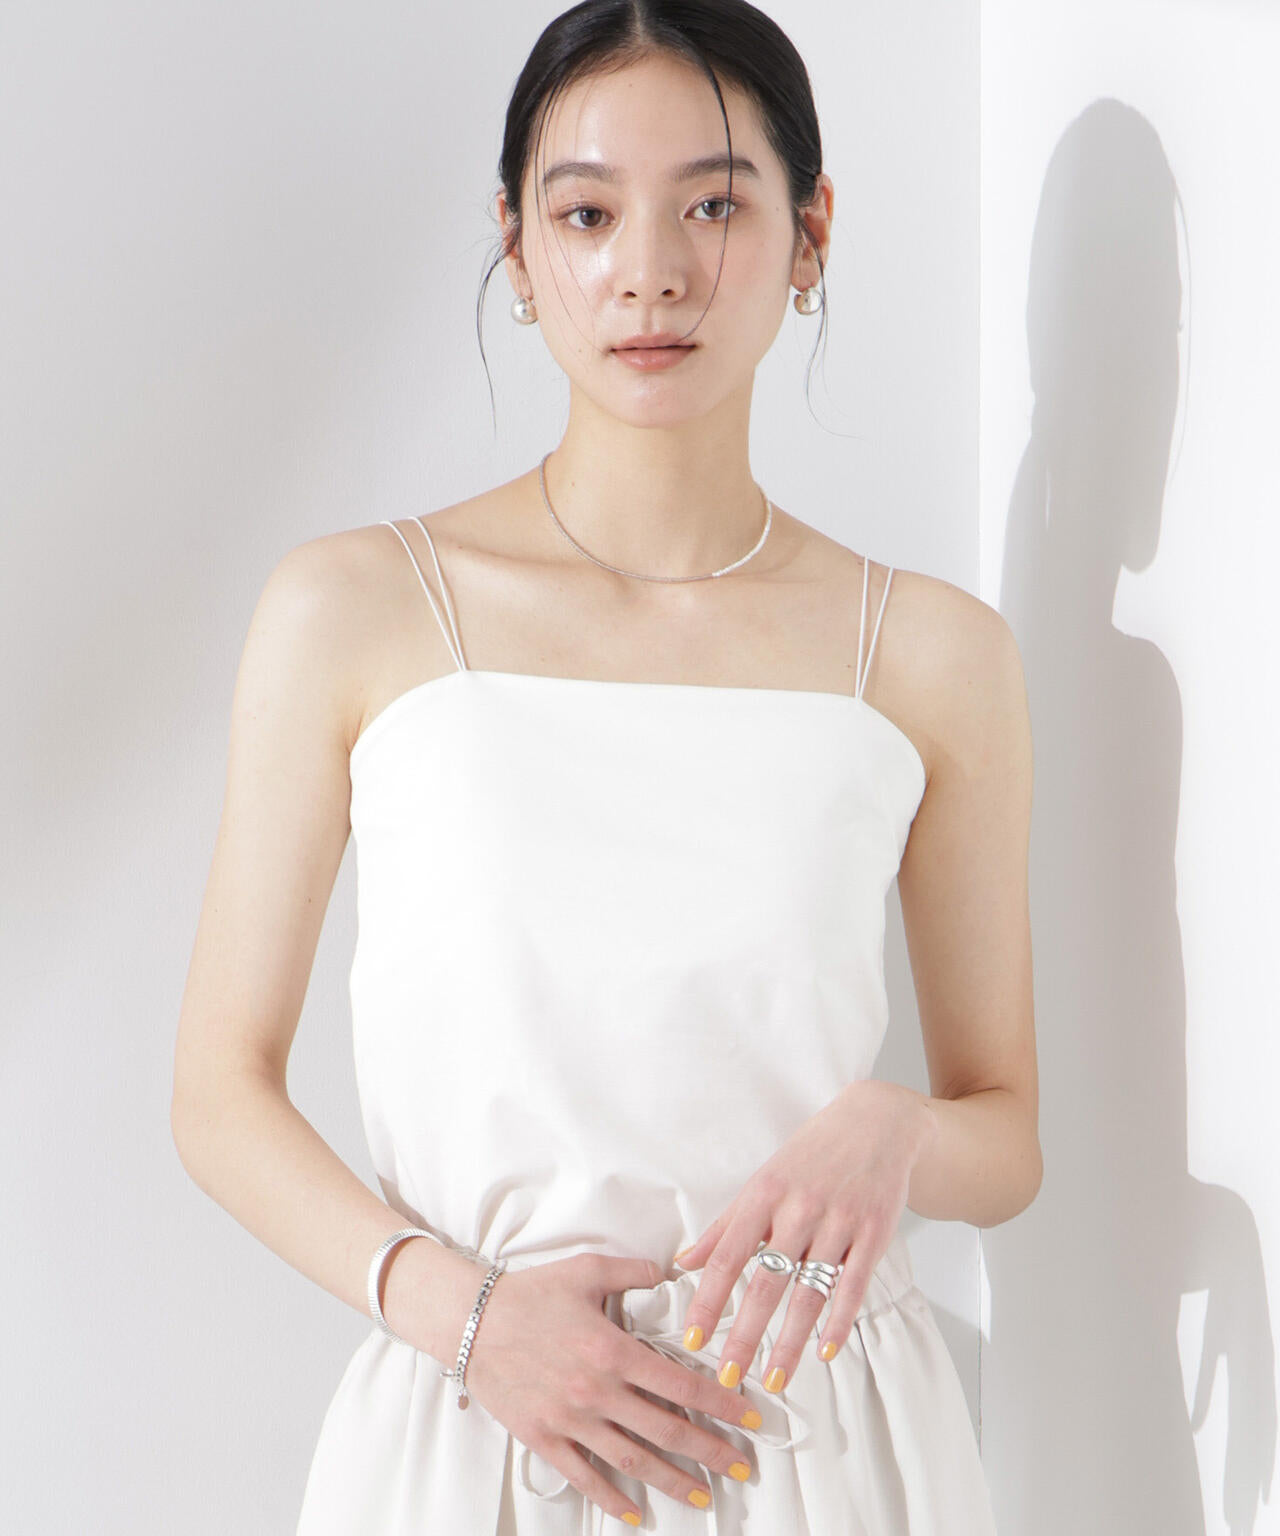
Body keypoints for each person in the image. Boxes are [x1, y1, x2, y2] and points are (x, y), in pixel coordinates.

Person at [171, 1, 1039, 1530]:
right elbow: (217, 1092)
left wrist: (898, 1128)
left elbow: (1007, 1131)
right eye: (586, 213)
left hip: (822, 1436)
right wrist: (464, 1318)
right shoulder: (355, 609)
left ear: (811, 231)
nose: (649, 271)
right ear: (517, 247)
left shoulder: (928, 651)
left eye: (713, 204)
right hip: (483, 1415)